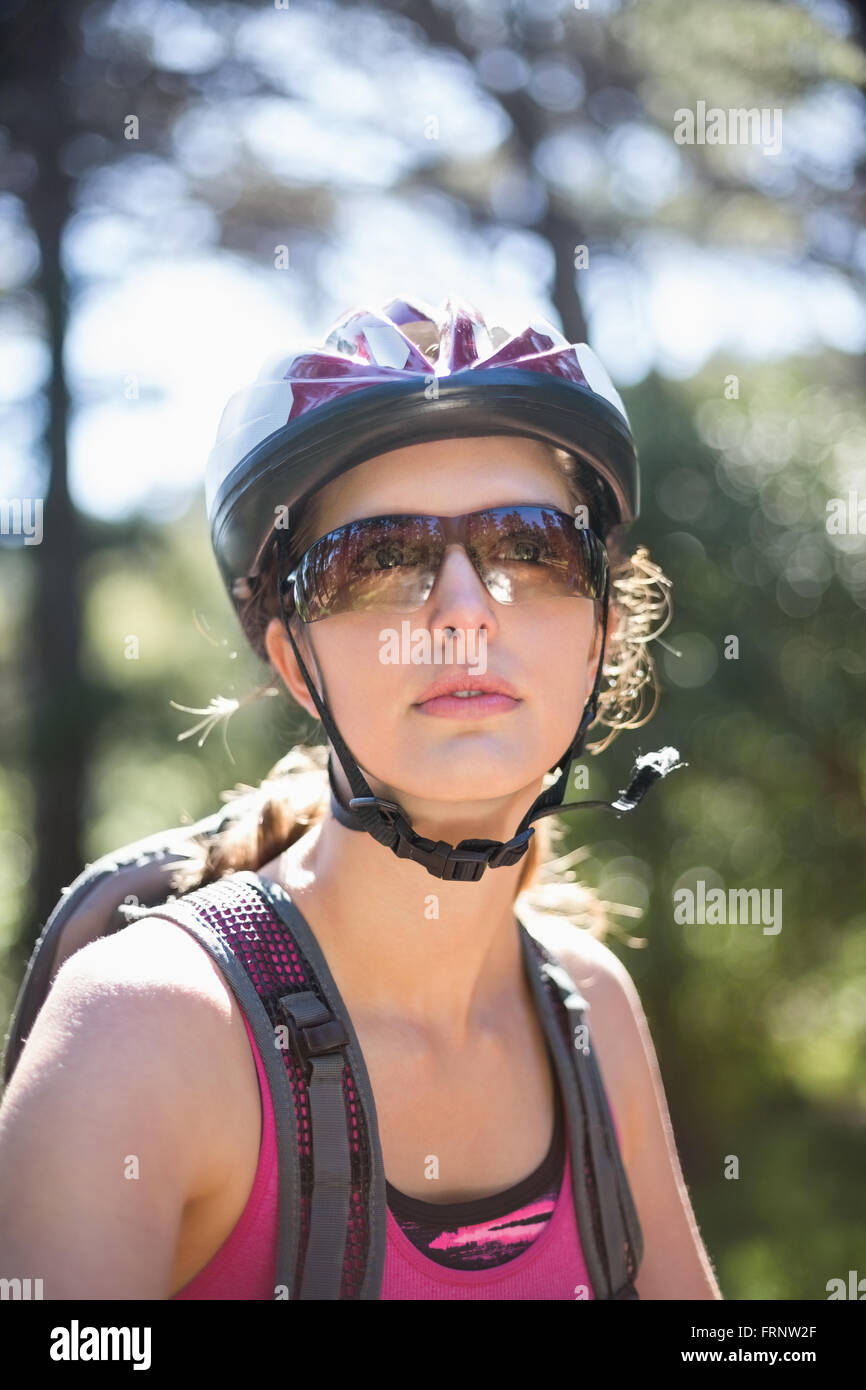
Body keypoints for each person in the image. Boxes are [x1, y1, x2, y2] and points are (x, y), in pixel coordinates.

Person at [0, 296, 722, 1299]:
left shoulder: (587, 1008)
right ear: (297, 661)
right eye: (382, 561)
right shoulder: (146, 1032)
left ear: (599, 632)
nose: (463, 612)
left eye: (529, 548)